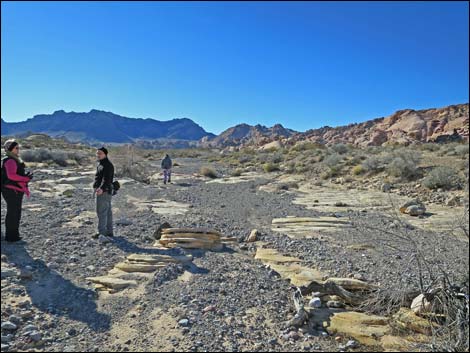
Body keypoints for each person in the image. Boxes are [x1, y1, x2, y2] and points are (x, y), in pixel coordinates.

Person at [1, 140, 33, 242]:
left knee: (15, 212)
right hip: (11, 190)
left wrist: (24, 176)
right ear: (10, 149)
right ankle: (11, 237)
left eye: (18, 148)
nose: (18, 150)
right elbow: (11, 175)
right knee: (13, 212)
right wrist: (25, 179)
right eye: (16, 148)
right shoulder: (10, 160)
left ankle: (14, 235)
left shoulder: (13, 159)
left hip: (13, 189)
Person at [92, 147, 114, 239]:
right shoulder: (101, 164)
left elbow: (107, 179)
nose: (98, 155)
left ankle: (102, 232)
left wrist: (101, 189)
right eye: (97, 153)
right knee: (107, 211)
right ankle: (109, 231)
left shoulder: (107, 165)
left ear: (105, 154)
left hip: (104, 191)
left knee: (101, 211)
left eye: (100, 153)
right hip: (105, 190)